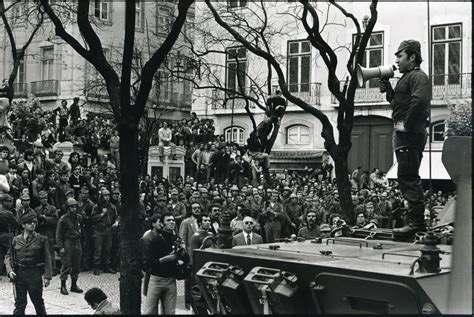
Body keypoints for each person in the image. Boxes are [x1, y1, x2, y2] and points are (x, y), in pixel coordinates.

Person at [380, 39, 429, 240]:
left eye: (400, 56)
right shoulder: (408, 78)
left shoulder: (418, 76)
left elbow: (419, 102)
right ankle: (414, 222)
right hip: (405, 136)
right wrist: (389, 91)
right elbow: (399, 104)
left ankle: (416, 224)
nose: (397, 61)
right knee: (406, 177)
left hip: (409, 135)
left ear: (412, 57)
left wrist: (407, 125)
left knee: (408, 178)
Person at [4, 212, 52, 315]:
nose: (33, 224)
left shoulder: (41, 239)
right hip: (19, 274)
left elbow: (48, 258)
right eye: (29, 223)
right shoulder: (16, 240)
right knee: (20, 304)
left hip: (34, 273)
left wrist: (47, 276)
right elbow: (8, 256)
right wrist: (10, 271)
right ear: (23, 225)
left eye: (34, 222)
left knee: (38, 302)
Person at [144, 213, 190, 315]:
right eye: (168, 220)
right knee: (150, 311)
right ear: (162, 224)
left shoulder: (176, 239)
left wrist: (183, 251)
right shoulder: (155, 241)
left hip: (171, 280)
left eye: (173, 220)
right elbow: (149, 263)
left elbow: (186, 259)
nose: (172, 222)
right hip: (156, 280)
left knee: (170, 312)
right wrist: (165, 259)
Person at [56, 198, 83, 295]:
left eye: (75, 206)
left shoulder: (77, 217)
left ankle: (74, 285)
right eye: (72, 207)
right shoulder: (63, 220)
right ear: (67, 208)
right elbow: (58, 235)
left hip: (77, 242)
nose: (74, 208)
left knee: (76, 264)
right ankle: (63, 286)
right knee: (66, 265)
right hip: (67, 243)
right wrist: (60, 247)